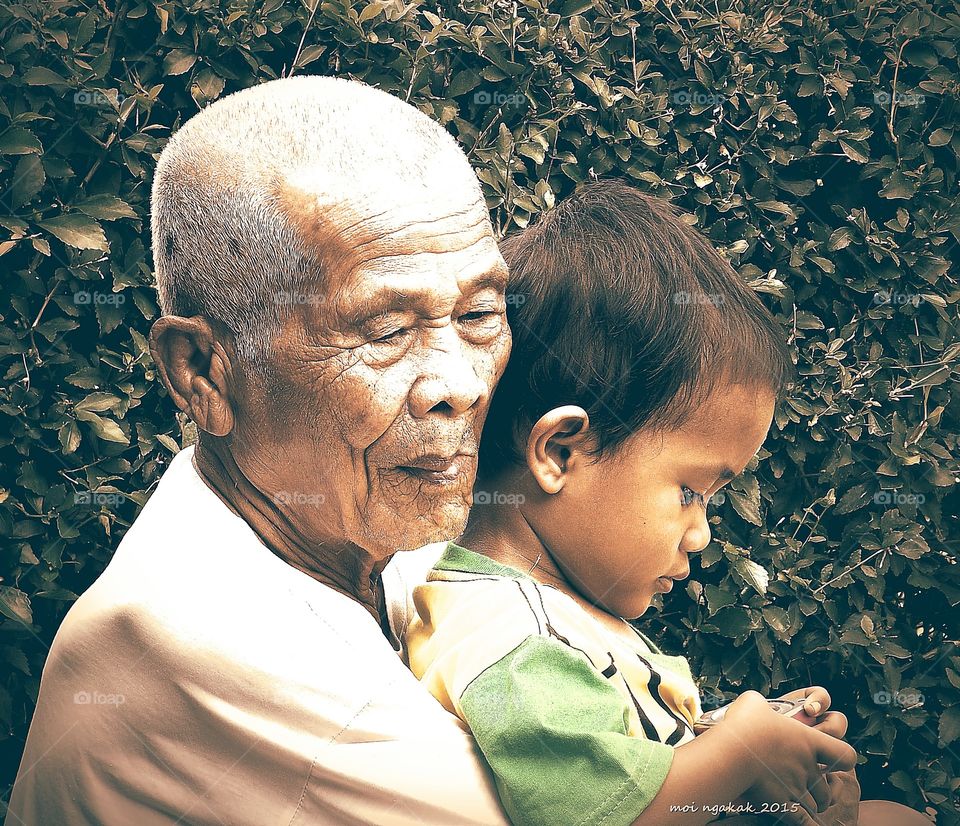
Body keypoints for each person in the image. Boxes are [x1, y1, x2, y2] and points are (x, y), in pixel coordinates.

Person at [5, 75, 515, 825]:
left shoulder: (369, 537)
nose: (461, 385)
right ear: (202, 372)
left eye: (477, 314)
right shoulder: (196, 629)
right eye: (385, 332)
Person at [402, 180, 934, 826]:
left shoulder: (558, 608)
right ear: (560, 453)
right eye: (690, 491)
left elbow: (634, 757)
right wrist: (741, 750)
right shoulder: (505, 639)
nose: (701, 534)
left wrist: (757, 751)